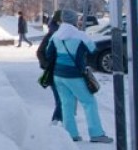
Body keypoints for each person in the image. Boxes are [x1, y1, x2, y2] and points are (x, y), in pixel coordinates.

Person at [44, 11, 112, 143]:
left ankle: (71, 134)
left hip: (58, 75)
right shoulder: (79, 35)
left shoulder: (56, 35)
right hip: (75, 75)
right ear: (75, 20)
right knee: (89, 102)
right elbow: (92, 49)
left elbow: (48, 53)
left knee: (66, 104)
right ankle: (96, 133)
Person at [36, 11, 63, 123]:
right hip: (54, 72)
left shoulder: (55, 33)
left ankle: (59, 122)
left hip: (56, 71)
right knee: (61, 100)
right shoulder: (53, 35)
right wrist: (49, 65)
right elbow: (40, 52)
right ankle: (56, 123)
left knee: (62, 100)